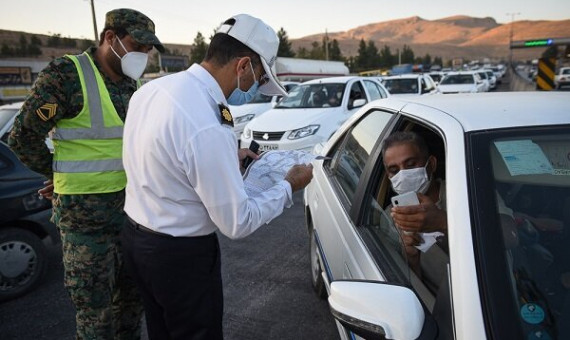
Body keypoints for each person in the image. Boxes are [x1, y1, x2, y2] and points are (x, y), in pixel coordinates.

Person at [120, 13, 314, 339]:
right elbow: (237, 223)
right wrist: (288, 185)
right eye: (259, 78)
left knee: (161, 330)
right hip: (180, 259)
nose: (254, 87)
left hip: (137, 240)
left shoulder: (154, 89)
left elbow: (162, 156)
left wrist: (227, 158)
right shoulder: (208, 122)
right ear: (242, 66)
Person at [8, 8, 164, 339]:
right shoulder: (65, 75)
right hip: (86, 226)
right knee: (96, 317)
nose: (144, 55)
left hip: (133, 217)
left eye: (148, 50)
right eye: (138, 46)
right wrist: (56, 172)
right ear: (111, 38)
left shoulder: (130, 84)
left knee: (132, 309)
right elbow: (23, 137)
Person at [381, 131, 447, 280]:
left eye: (410, 165)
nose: (403, 175)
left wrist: (443, 222)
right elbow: (407, 287)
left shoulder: (463, 191)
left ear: (431, 164)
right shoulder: (391, 218)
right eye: (394, 170)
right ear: (389, 177)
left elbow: (510, 235)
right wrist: (411, 257)